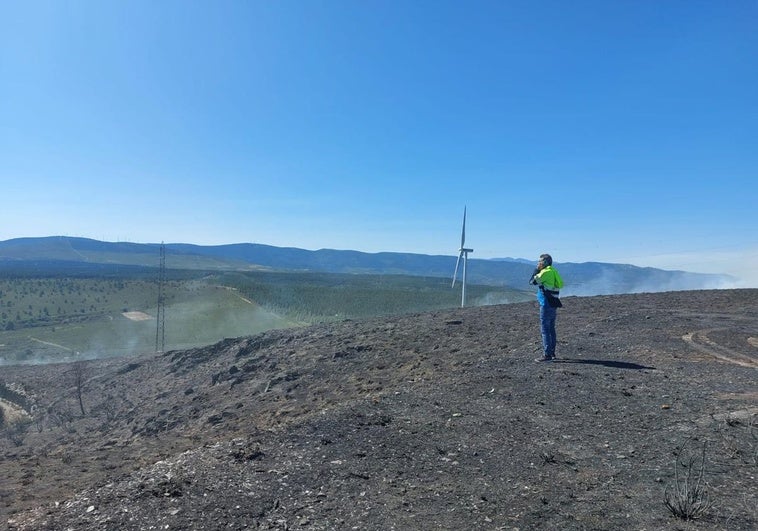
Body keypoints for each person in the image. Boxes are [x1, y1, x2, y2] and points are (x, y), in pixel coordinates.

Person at [529, 253, 564, 362]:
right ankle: (552, 352)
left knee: (545, 330)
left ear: (544, 262)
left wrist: (536, 269)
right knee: (551, 329)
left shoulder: (545, 272)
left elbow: (532, 281)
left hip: (546, 303)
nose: (538, 263)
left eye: (540, 261)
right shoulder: (554, 271)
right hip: (553, 303)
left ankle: (547, 355)